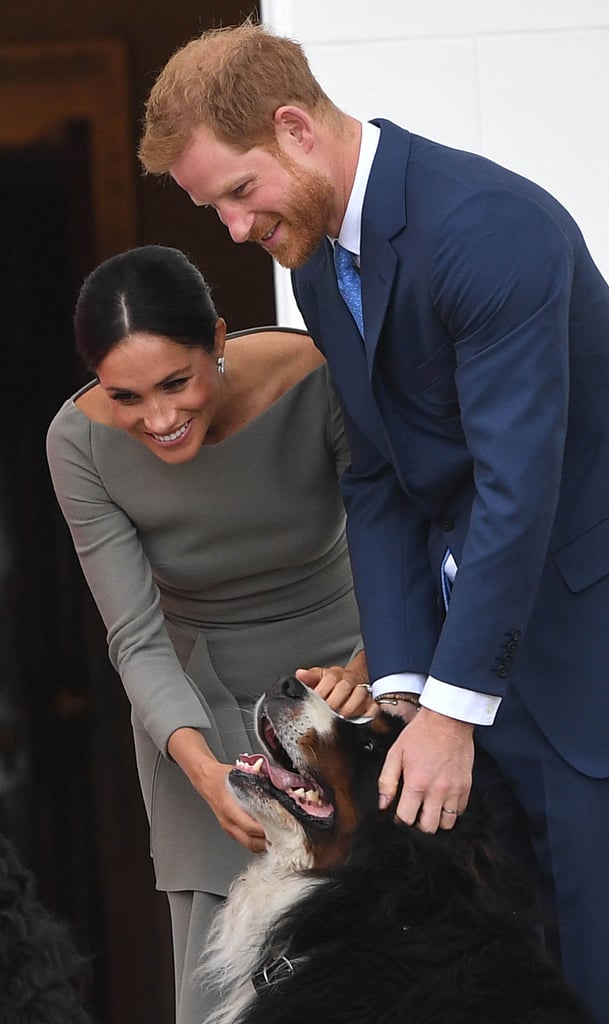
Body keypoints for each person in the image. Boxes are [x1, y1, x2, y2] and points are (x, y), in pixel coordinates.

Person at [137, 22, 609, 1024]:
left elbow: (519, 482)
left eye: (237, 192)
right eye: (214, 208)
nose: (234, 229)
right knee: (485, 980)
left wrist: (450, 711)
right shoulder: (313, 268)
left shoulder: (489, 228)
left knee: (590, 989)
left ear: (295, 128)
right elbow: (379, 485)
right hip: (481, 656)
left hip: (608, 646)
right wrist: (402, 689)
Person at [46, 244, 371, 1024]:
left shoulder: (316, 374)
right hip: (202, 716)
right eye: (125, 396)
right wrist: (202, 770)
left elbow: (401, 536)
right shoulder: (78, 444)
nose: (157, 419)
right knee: (221, 988)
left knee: (379, 949)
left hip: (348, 694)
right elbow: (136, 637)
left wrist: (371, 669)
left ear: (218, 341)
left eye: (175, 383)